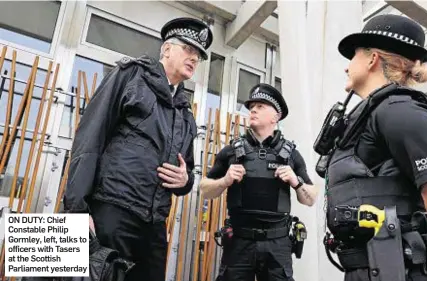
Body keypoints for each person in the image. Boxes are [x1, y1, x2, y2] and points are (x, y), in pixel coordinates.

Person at [318, 14, 427, 281]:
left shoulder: (399, 108)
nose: (347, 67)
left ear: (372, 59)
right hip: (371, 268)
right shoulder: (373, 113)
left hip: (400, 271)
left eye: (353, 56)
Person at [63, 17, 213, 281]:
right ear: (167, 49)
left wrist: (185, 180)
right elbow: (90, 138)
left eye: (199, 56)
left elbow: (185, 171)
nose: (194, 59)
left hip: (154, 224)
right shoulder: (130, 76)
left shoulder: (186, 114)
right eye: (188, 50)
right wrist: (76, 210)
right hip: (111, 210)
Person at [200, 83, 319, 281]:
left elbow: (311, 198)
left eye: (261, 106)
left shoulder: (292, 155)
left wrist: (295, 182)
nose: (253, 109)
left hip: (277, 244)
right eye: (251, 106)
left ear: (276, 116)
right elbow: (205, 189)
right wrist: (225, 180)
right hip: (239, 242)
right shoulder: (231, 152)